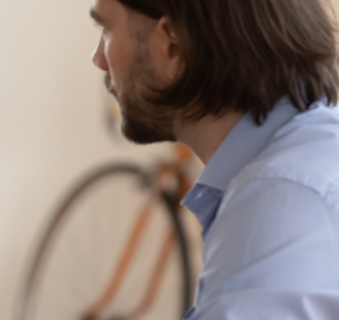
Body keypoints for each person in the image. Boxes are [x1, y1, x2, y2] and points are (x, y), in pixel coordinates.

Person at [90, 0, 339, 318]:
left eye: (106, 30)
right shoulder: (312, 156)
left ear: (173, 46)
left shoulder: (277, 199)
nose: (98, 59)